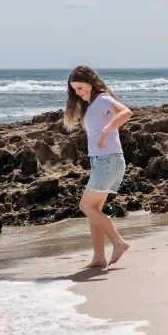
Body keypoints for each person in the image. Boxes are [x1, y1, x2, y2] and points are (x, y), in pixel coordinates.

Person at [63, 66, 133, 270]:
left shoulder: (102, 99)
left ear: (90, 82)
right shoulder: (91, 104)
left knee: (86, 206)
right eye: (74, 90)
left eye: (80, 87)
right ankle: (99, 257)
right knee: (94, 210)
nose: (78, 92)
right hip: (102, 162)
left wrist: (106, 129)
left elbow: (126, 112)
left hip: (108, 161)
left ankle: (119, 242)